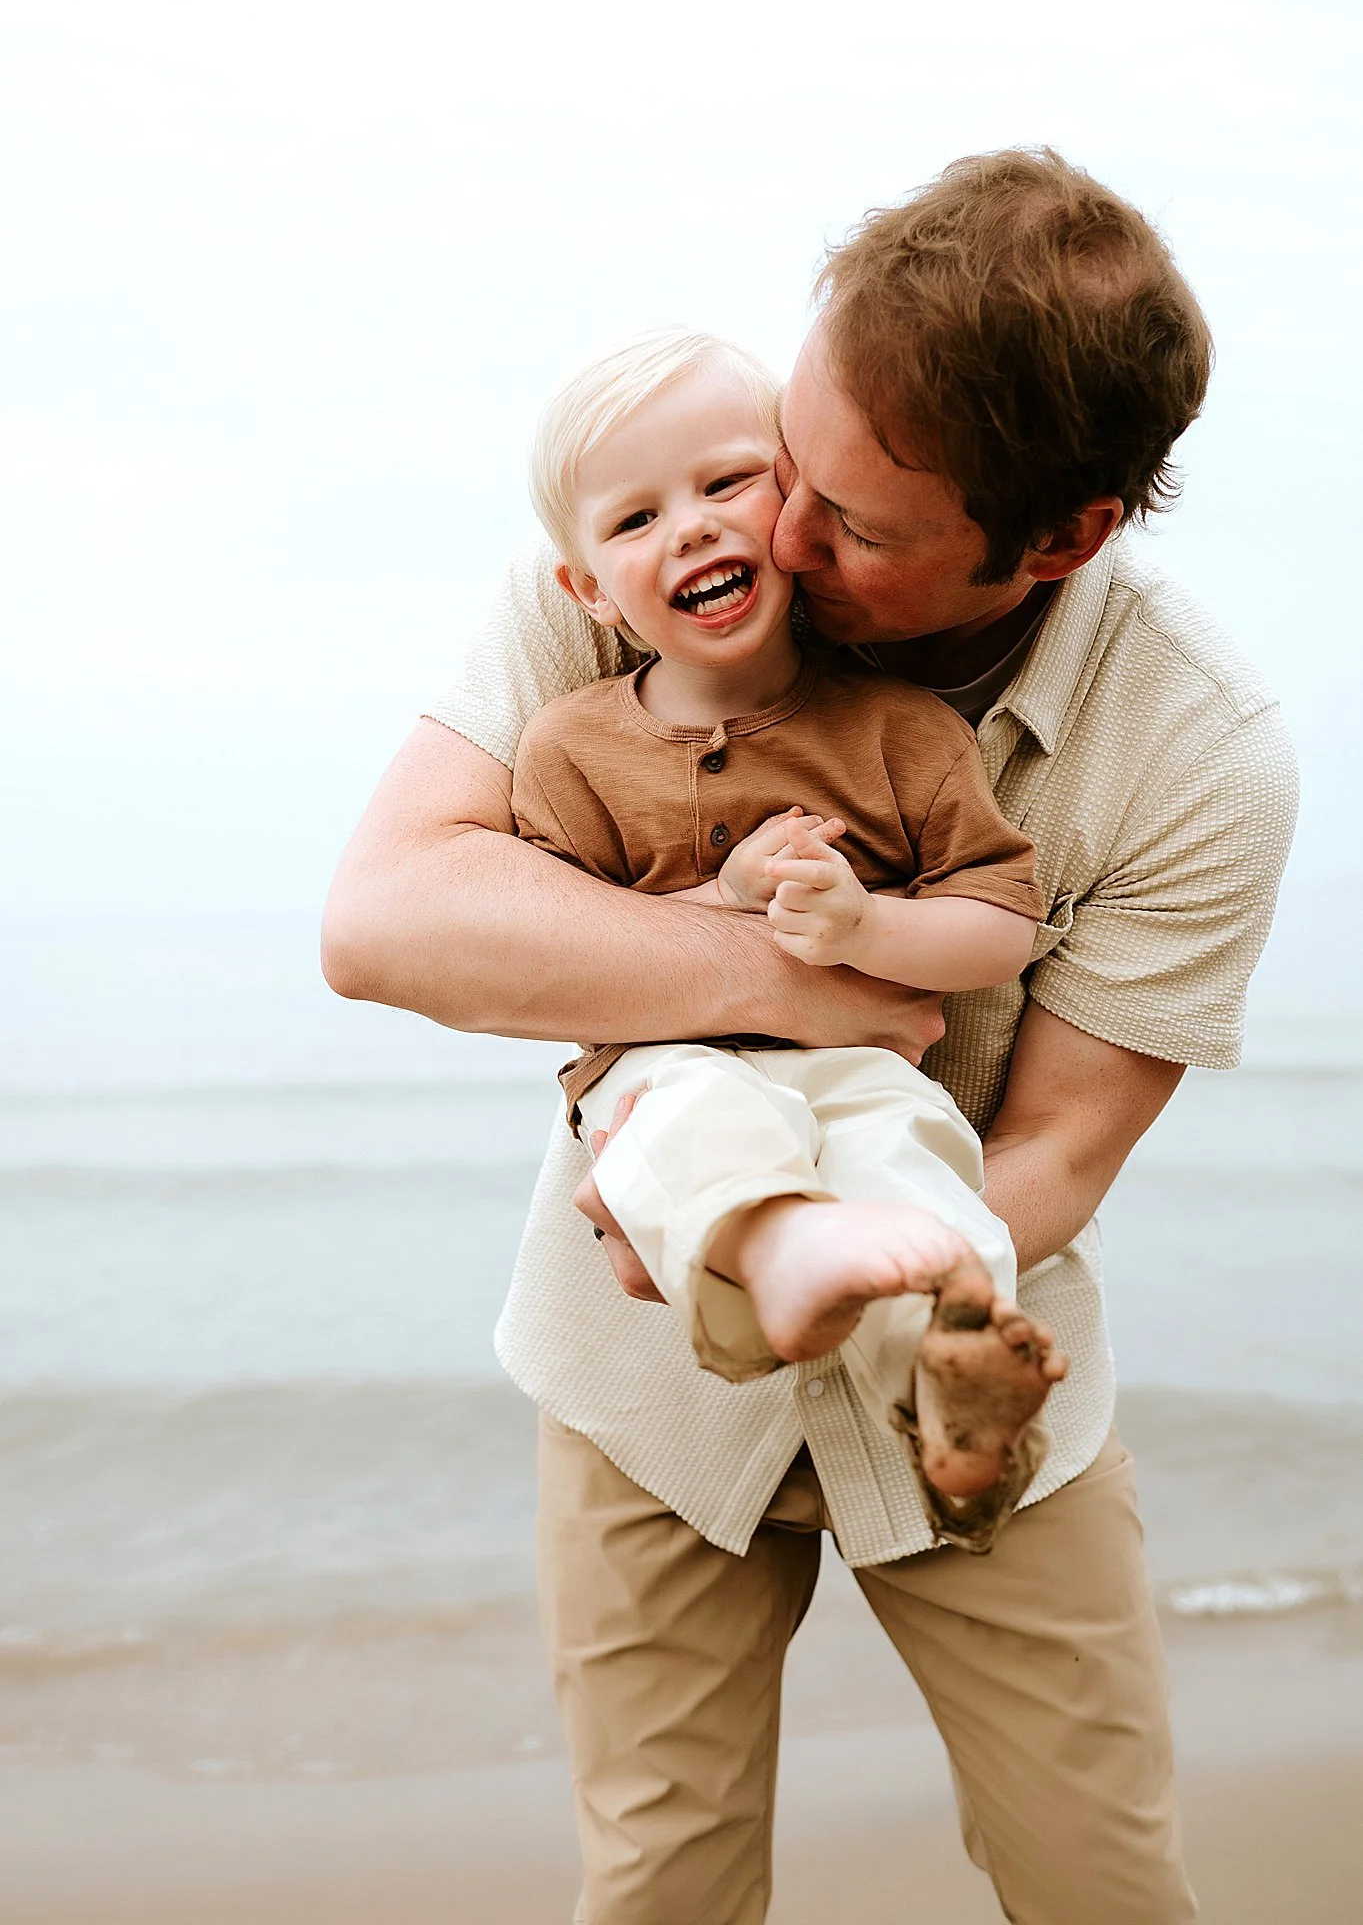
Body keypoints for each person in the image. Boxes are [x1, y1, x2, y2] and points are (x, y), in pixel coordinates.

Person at [323, 148, 1298, 1923]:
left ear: (1056, 539)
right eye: (793, 457)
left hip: (969, 1338)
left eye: (846, 522)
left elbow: (1061, 1151)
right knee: (661, 1889)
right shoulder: (622, 565)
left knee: (1101, 1877)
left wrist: (889, 1273)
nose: (761, 533)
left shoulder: (1196, 751)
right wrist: (780, 995)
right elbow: (384, 918)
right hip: (643, 1359)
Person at [514, 324, 1067, 1520]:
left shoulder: (899, 730)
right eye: (635, 519)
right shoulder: (572, 747)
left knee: (908, 1158)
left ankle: (950, 1384)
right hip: (660, 1067)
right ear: (586, 589)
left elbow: (996, 926)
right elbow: (549, 952)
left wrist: (863, 925)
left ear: (792, 496)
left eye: (725, 483)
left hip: (855, 1065)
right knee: (687, 1125)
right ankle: (781, 1249)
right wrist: (721, 905)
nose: (695, 526)